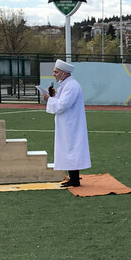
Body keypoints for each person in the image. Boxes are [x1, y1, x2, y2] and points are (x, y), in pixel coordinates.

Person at [43, 59, 90, 187]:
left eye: (56, 72)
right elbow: (60, 100)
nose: (54, 74)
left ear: (64, 73)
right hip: (67, 123)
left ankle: (74, 179)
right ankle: (73, 178)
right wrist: (52, 96)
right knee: (68, 148)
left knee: (72, 148)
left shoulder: (72, 86)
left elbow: (62, 105)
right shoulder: (66, 85)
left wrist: (49, 99)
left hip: (71, 124)